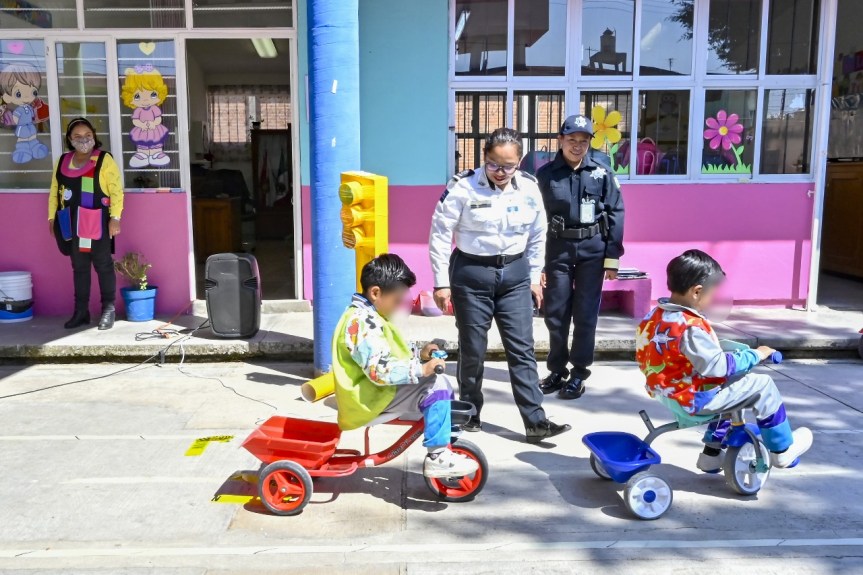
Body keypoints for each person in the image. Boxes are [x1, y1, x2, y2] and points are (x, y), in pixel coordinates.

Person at [429, 127, 571, 444]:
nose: (500, 172)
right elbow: (439, 234)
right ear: (484, 158)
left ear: (519, 161)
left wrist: (535, 278)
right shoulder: (462, 186)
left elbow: (538, 236)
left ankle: (535, 421)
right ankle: (469, 413)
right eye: (494, 164)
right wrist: (441, 282)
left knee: (522, 349)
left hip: (515, 275)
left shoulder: (530, 188)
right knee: (473, 348)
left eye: (508, 166)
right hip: (471, 274)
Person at [636, 250, 813, 471]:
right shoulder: (690, 327)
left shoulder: (654, 316)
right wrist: (756, 354)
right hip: (695, 399)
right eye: (712, 293)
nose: (714, 299)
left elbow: (678, 354)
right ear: (697, 291)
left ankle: (711, 455)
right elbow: (717, 367)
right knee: (762, 385)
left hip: (666, 392)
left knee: (729, 386)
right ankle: (782, 450)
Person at [332, 254, 479, 478]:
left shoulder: (370, 316)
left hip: (375, 391)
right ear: (375, 293)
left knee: (437, 384)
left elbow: (387, 351)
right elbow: (379, 370)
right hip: (368, 397)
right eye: (397, 299)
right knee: (435, 384)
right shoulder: (361, 322)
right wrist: (421, 369)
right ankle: (437, 456)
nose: (400, 305)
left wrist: (419, 354)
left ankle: (442, 437)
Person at [537, 115, 625, 400]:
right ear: (560, 140)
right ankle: (557, 370)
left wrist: (612, 257)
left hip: (593, 250)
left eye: (583, 141)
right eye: (571, 140)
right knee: (556, 313)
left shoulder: (602, 173)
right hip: (557, 250)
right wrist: (535, 261)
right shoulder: (545, 175)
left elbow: (616, 212)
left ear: (590, 143)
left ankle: (578, 373)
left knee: (585, 315)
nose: (577, 146)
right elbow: (534, 218)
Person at [48, 118, 124, 330]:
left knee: (103, 265)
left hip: (97, 222)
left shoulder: (104, 159)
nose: (83, 140)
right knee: (79, 267)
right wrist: (51, 218)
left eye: (87, 135)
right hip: (69, 223)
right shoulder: (62, 161)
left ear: (94, 136)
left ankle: (108, 309)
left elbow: (116, 190)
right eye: (77, 136)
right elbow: (54, 191)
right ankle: (81, 312)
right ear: (70, 140)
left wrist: (115, 217)